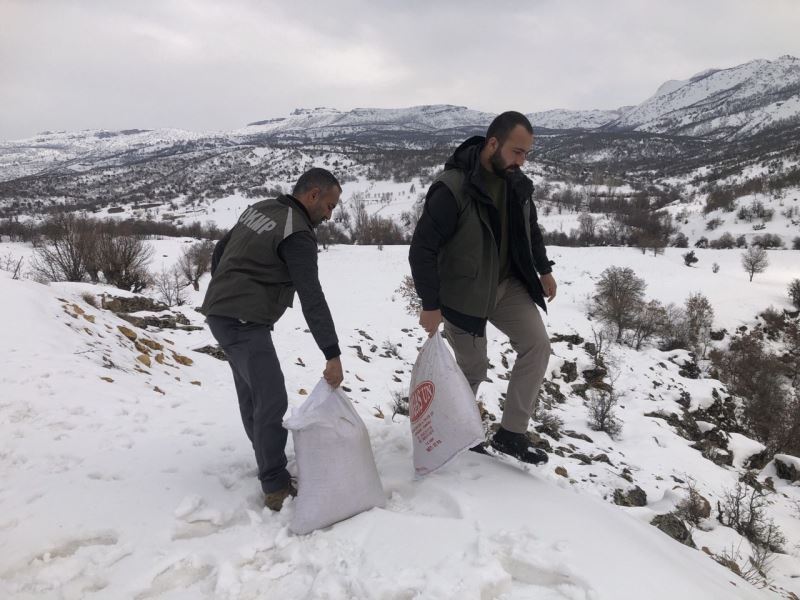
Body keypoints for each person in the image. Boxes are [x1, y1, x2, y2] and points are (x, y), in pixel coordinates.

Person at [408, 111, 556, 465]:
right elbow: (422, 249)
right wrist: (431, 304)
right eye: (517, 152)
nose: (522, 161)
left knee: (538, 346)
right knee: (472, 370)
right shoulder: (453, 187)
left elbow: (529, 228)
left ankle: (511, 434)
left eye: (526, 154)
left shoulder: (516, 184)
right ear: (493, 143)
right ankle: (449, 430)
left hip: (507, 286)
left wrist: (543, 269)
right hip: (464, 294)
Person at [201, 168, 344, 510]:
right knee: (271, 400)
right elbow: (312, 296)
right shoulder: (298, 234)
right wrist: (332, 353)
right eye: (329, 205)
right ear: (312, 195)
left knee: (253, 394)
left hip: (221, 312)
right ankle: (276, 486)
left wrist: (225, 289)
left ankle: (267, 462)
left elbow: (221, 251)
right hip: (242, 320)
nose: (330, 214)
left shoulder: (262, 208)